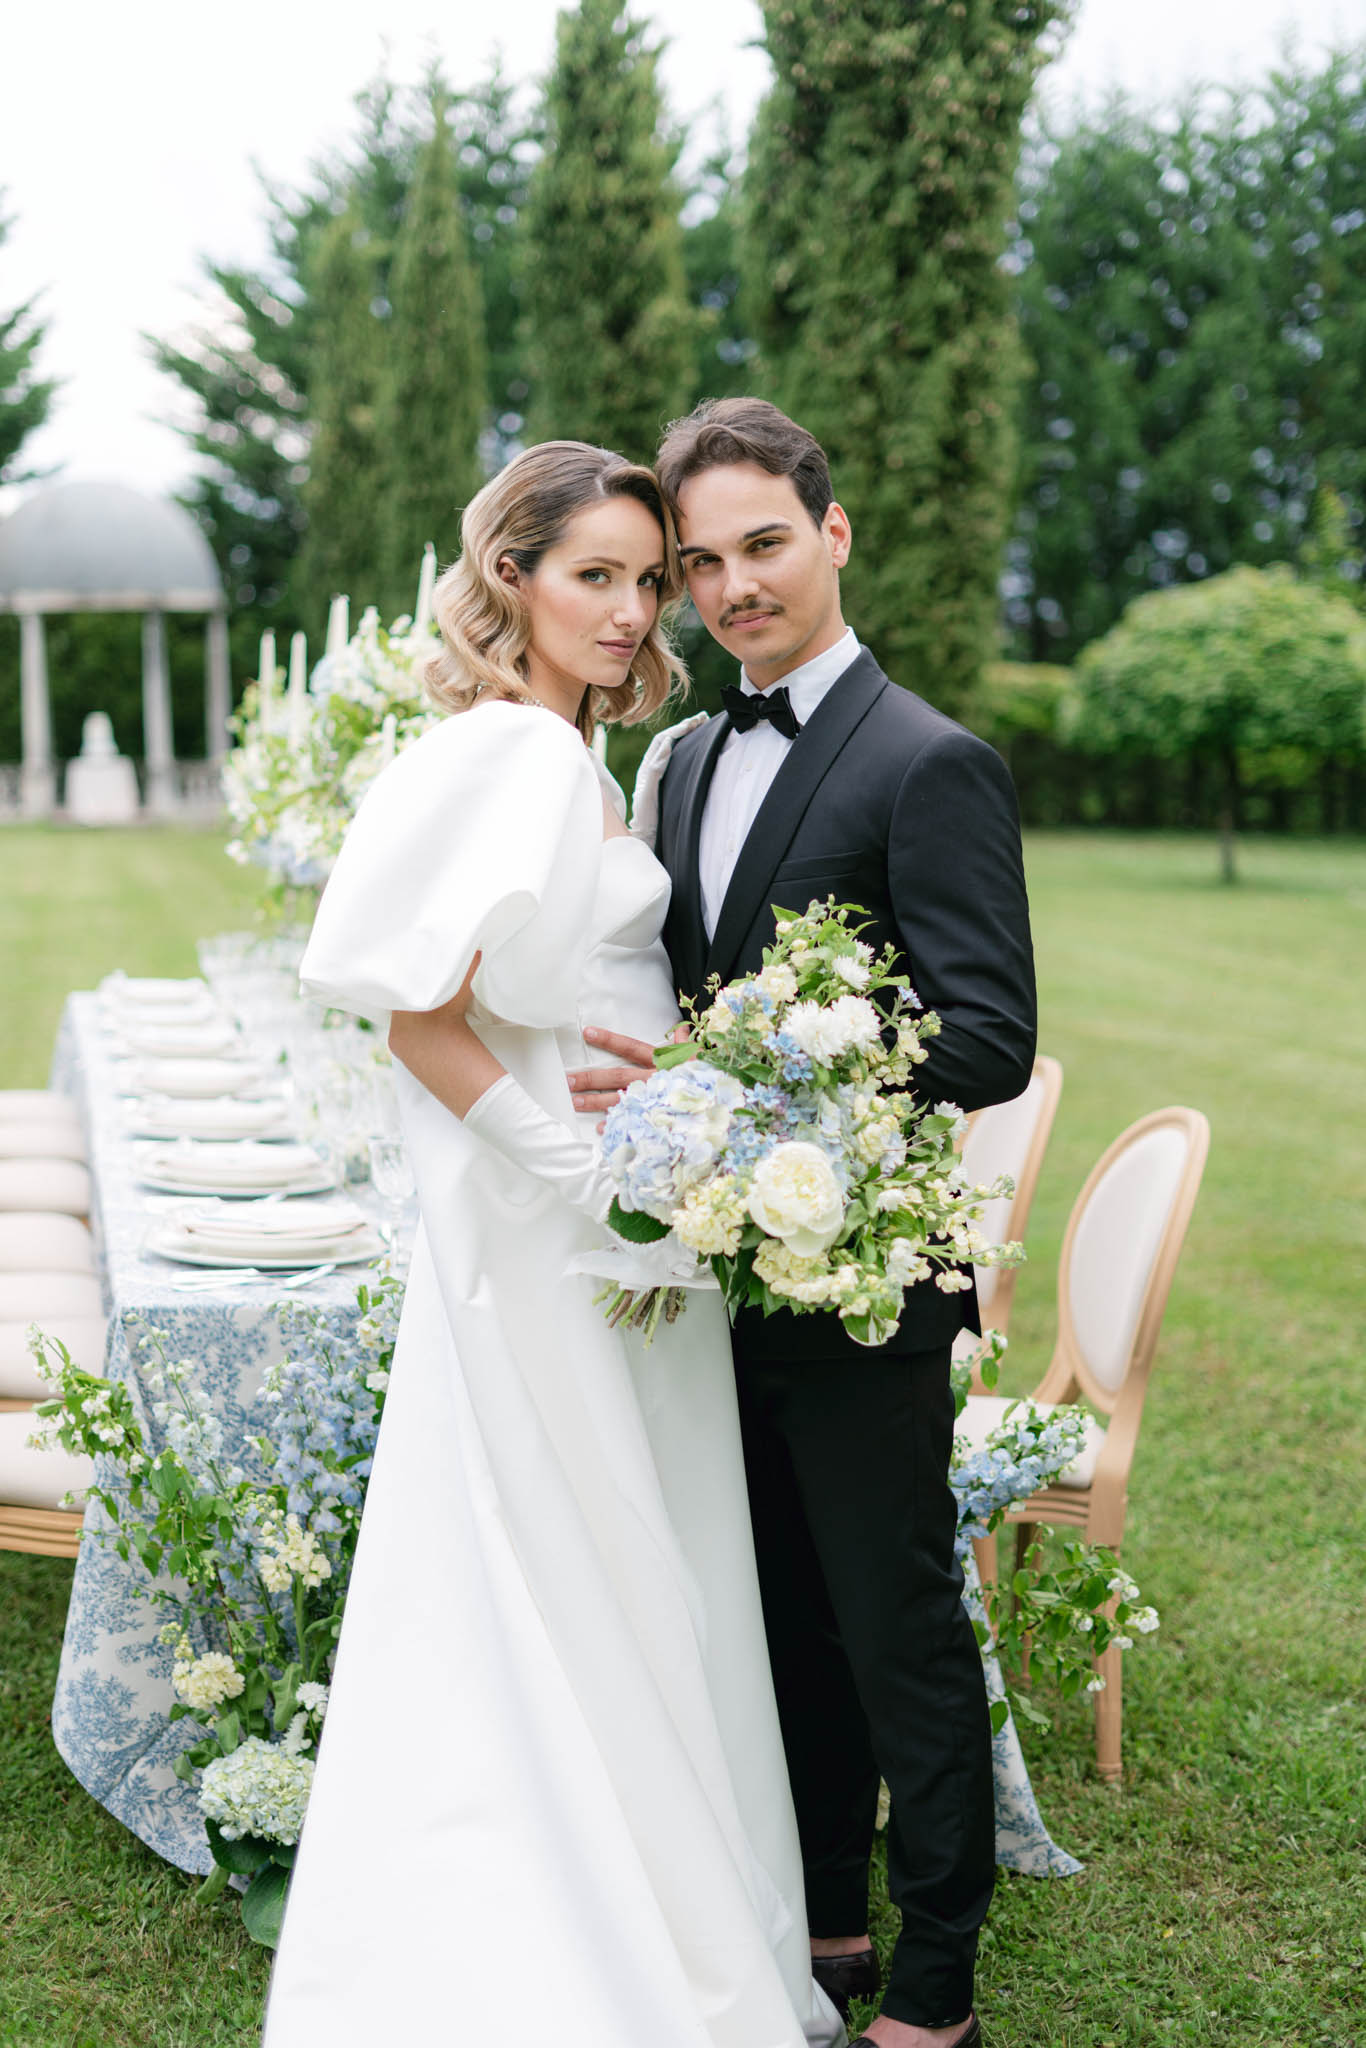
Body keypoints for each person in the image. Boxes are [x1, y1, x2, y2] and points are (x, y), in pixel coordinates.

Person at [264, 441, 842, 2048]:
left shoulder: (587, 761)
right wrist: (588, 1177)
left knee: (626, 1558)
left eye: (647, 580)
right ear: (508, 575)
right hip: (548, 1230)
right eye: (596, 573)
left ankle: (655, 1888)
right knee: (569, 1554)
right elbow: (418, 1020)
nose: (633, 608)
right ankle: (559, 1923)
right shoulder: (510, 757)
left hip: (621, 1221)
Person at [568, 398, 1038, 2048]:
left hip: (863, 1290)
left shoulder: (930, 760)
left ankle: (937, 1979)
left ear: (831, 535)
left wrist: (762, 1063)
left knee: (897, 1626)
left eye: (761, 544)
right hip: (715, 1277)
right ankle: (826, 1914)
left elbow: (983, 1032)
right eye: (699, 561)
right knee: (775, 1620)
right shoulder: (680, 756)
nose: (729, 586)